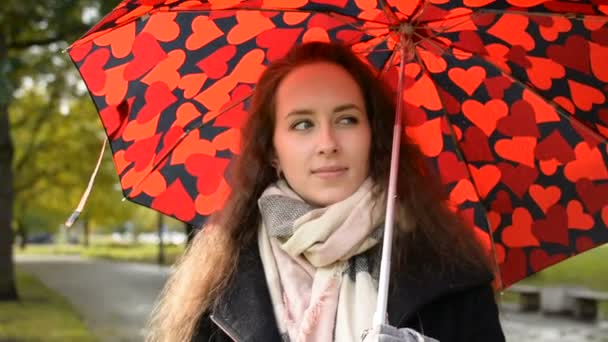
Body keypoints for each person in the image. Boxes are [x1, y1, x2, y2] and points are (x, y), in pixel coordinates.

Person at [146, 41, 505, 342]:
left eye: (346, 119)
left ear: (374, 137)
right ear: (273, 151)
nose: (327, 143)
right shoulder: (218, 276)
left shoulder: (448, 269)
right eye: (302, 124)